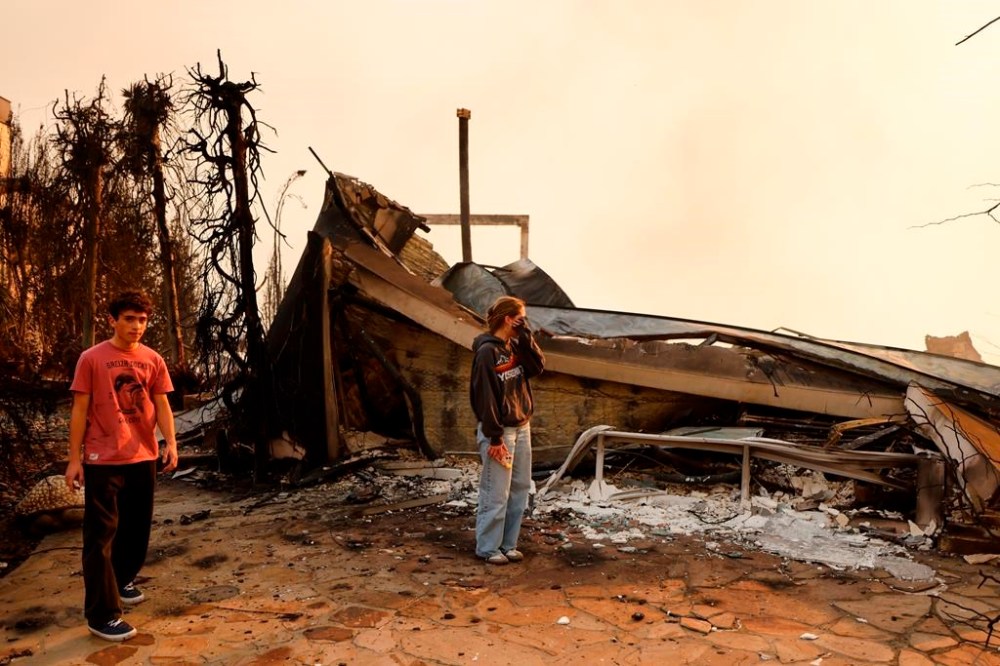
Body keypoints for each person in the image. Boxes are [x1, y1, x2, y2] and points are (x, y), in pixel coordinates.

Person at [64, 290, 178, 641]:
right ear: (114, 320)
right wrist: (73, 459)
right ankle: (102, 614)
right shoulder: (92, 358)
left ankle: (122, 577)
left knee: (136, 529)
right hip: (103, 458)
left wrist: (170, 442)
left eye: (142, 320)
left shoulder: (153, 359)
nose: (136, 326)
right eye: (129, 319)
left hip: (142, 454)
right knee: (99, 537)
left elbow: (161, 404)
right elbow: (80, 411)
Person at [469, 295, 545, 565]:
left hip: (521, 426)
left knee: (520, 488)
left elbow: (537, 366)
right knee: (496, 491)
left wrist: (526, 336)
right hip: (500, 431)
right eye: (520, 318)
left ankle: (507, 544)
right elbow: (485, 397)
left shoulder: (514, 346)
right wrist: (495, 437)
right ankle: (489, 547)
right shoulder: (486, 352)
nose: (524, 322)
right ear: (507, 318)